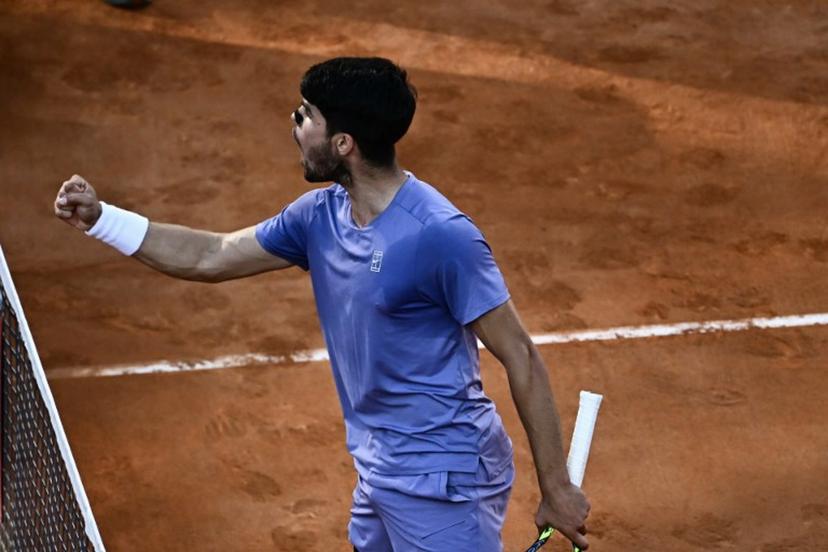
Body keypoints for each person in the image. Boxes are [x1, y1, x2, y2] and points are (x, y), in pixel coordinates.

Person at [54, 57, 590, 551]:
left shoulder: (440, 237)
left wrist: (557, 487)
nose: (294, 123)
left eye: (305, 115)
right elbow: (211, 254)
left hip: (443, 477)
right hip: (379, 465)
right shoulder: (319, 216)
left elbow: (519, 352)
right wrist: (104, 220)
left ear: (343, 144)